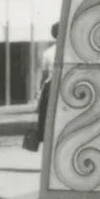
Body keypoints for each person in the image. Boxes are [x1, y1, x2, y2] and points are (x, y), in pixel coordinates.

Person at [26, 22, 62, 153]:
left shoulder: (48, 52)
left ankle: (49, 152)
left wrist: (39, 92)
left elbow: (44, 76)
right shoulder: (71, 51)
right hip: (66, 87)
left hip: (50, 88)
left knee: (47, 121)